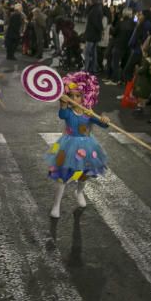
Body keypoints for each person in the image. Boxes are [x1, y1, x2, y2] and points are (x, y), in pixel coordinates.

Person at [44, 72, 109, 218]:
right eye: (71, 95)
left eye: (78, 96)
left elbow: (103, 124)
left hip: (87, 146)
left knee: (84, 174)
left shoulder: (88, 113)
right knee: (63, 176)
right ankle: (56, 205)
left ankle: (79, 192)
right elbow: (62, 115)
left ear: (86, 96)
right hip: (68, 145)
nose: (75, 99)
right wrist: (63, 102)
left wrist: (104, 119)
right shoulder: (68, 111)